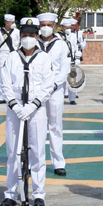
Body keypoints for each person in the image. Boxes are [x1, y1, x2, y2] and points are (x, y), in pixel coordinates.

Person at [0, 17, 54, 206]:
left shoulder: (45, 58)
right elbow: (4, 84)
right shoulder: (11, 58)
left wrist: (33, 104)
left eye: (31, 35)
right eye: (24, 35)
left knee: (37, 152)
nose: (27, 38)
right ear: (19, 37)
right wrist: (14, 105)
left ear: (37, 37)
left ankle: (38, 194)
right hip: (15, 110)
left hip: (36, 111)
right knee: (13, 152)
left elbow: (48, 86)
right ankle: (12, 193)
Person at [37, 12, 70, 177]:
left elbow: (65, 68)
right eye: (43, 25)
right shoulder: (33, 43)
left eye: (49, 25)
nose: (46, 28)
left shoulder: (61, 44)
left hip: (55, 90)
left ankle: (58, 162)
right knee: (37, 126)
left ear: (55, 26)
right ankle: (37, 162)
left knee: (55, 126)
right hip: (37, 91)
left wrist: (55, 84)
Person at [0, 15, 20, 103]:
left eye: (14, 22)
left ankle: (13, 96)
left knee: (15, 75)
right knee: (2, 77)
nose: (13, 24)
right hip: (3, 55)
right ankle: (2, 97)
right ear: (7, 23)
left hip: (14, 54)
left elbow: (20, 44)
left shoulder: (17, 32)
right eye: (12, 22)